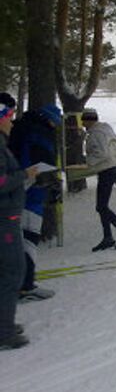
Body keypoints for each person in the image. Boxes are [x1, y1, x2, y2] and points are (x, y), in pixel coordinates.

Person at [8, 104, 62, 302]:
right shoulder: (38, 133)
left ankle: (20, 282)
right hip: (30, 193)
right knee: (29, 239)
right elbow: (40, 167)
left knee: (20, 239)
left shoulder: (19, 128)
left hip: (15, 192)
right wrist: (50, 183)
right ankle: (25, 286)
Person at [0, 93, 37, 350]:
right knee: (13, 271)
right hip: (4, 218)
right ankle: (4, 331)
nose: (11, 123)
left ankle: (5, 323)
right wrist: (24, 174)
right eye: (9, 117)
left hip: (7, 215)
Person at [78, 108, 116, 251]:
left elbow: (102, 154)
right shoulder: (106, 130)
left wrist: (88, 161)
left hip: (107, 171)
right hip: (110, 170)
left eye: (84, 120)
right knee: (102, 206)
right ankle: (108, 237)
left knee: (101, 207)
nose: (83, 123)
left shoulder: (97, 133)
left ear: (90, 120)